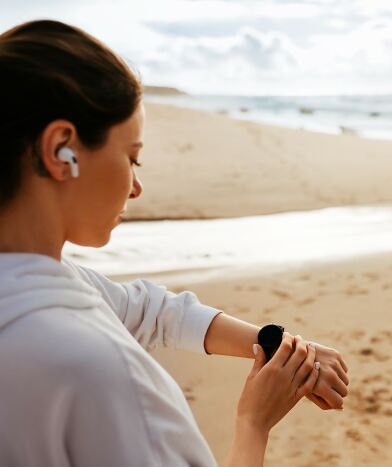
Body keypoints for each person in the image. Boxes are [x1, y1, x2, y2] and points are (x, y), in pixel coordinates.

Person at [0, 19, 350, 467]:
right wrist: (254, 423)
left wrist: (272, 342)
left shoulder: (38, 285)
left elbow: (149, 310)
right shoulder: (98, 371)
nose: (135, 187)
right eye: (131, 157)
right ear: (61, 150)